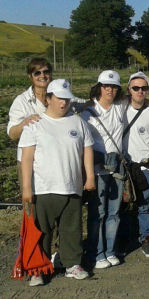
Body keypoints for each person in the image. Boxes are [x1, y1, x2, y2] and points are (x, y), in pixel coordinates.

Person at [19, 79, 93, 285]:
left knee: (72, 229)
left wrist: (89, 176)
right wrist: (26, 187)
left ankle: (72, 264)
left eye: (67, 99)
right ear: (48, 98)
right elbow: (26, 158)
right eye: (59, 99)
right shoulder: (35, 124)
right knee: (42, 231)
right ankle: (38, 269)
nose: (63, 103)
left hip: (72, 185)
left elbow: (87, 149)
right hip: (44, 188)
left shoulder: (77, 122)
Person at [82, 70, 128, 269]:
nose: (110, 90)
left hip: (117, 165)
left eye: (114, 86)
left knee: (114, 212)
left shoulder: (120, 106)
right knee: (97, 212)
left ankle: (110, 250)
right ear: (99, 86)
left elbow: (142, 102)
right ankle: (96, 252)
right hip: (98, 167)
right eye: (106, 86)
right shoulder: (88, 112)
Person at [122, 71, 149, 257]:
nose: (140, 91)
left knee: (145, 205)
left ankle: (146, 238)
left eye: (143, 88)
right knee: (121, 204)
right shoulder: (119, 109)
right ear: (129, 89)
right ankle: (121, 240)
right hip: (124, 166)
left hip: (145, 166)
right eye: (136, 88)